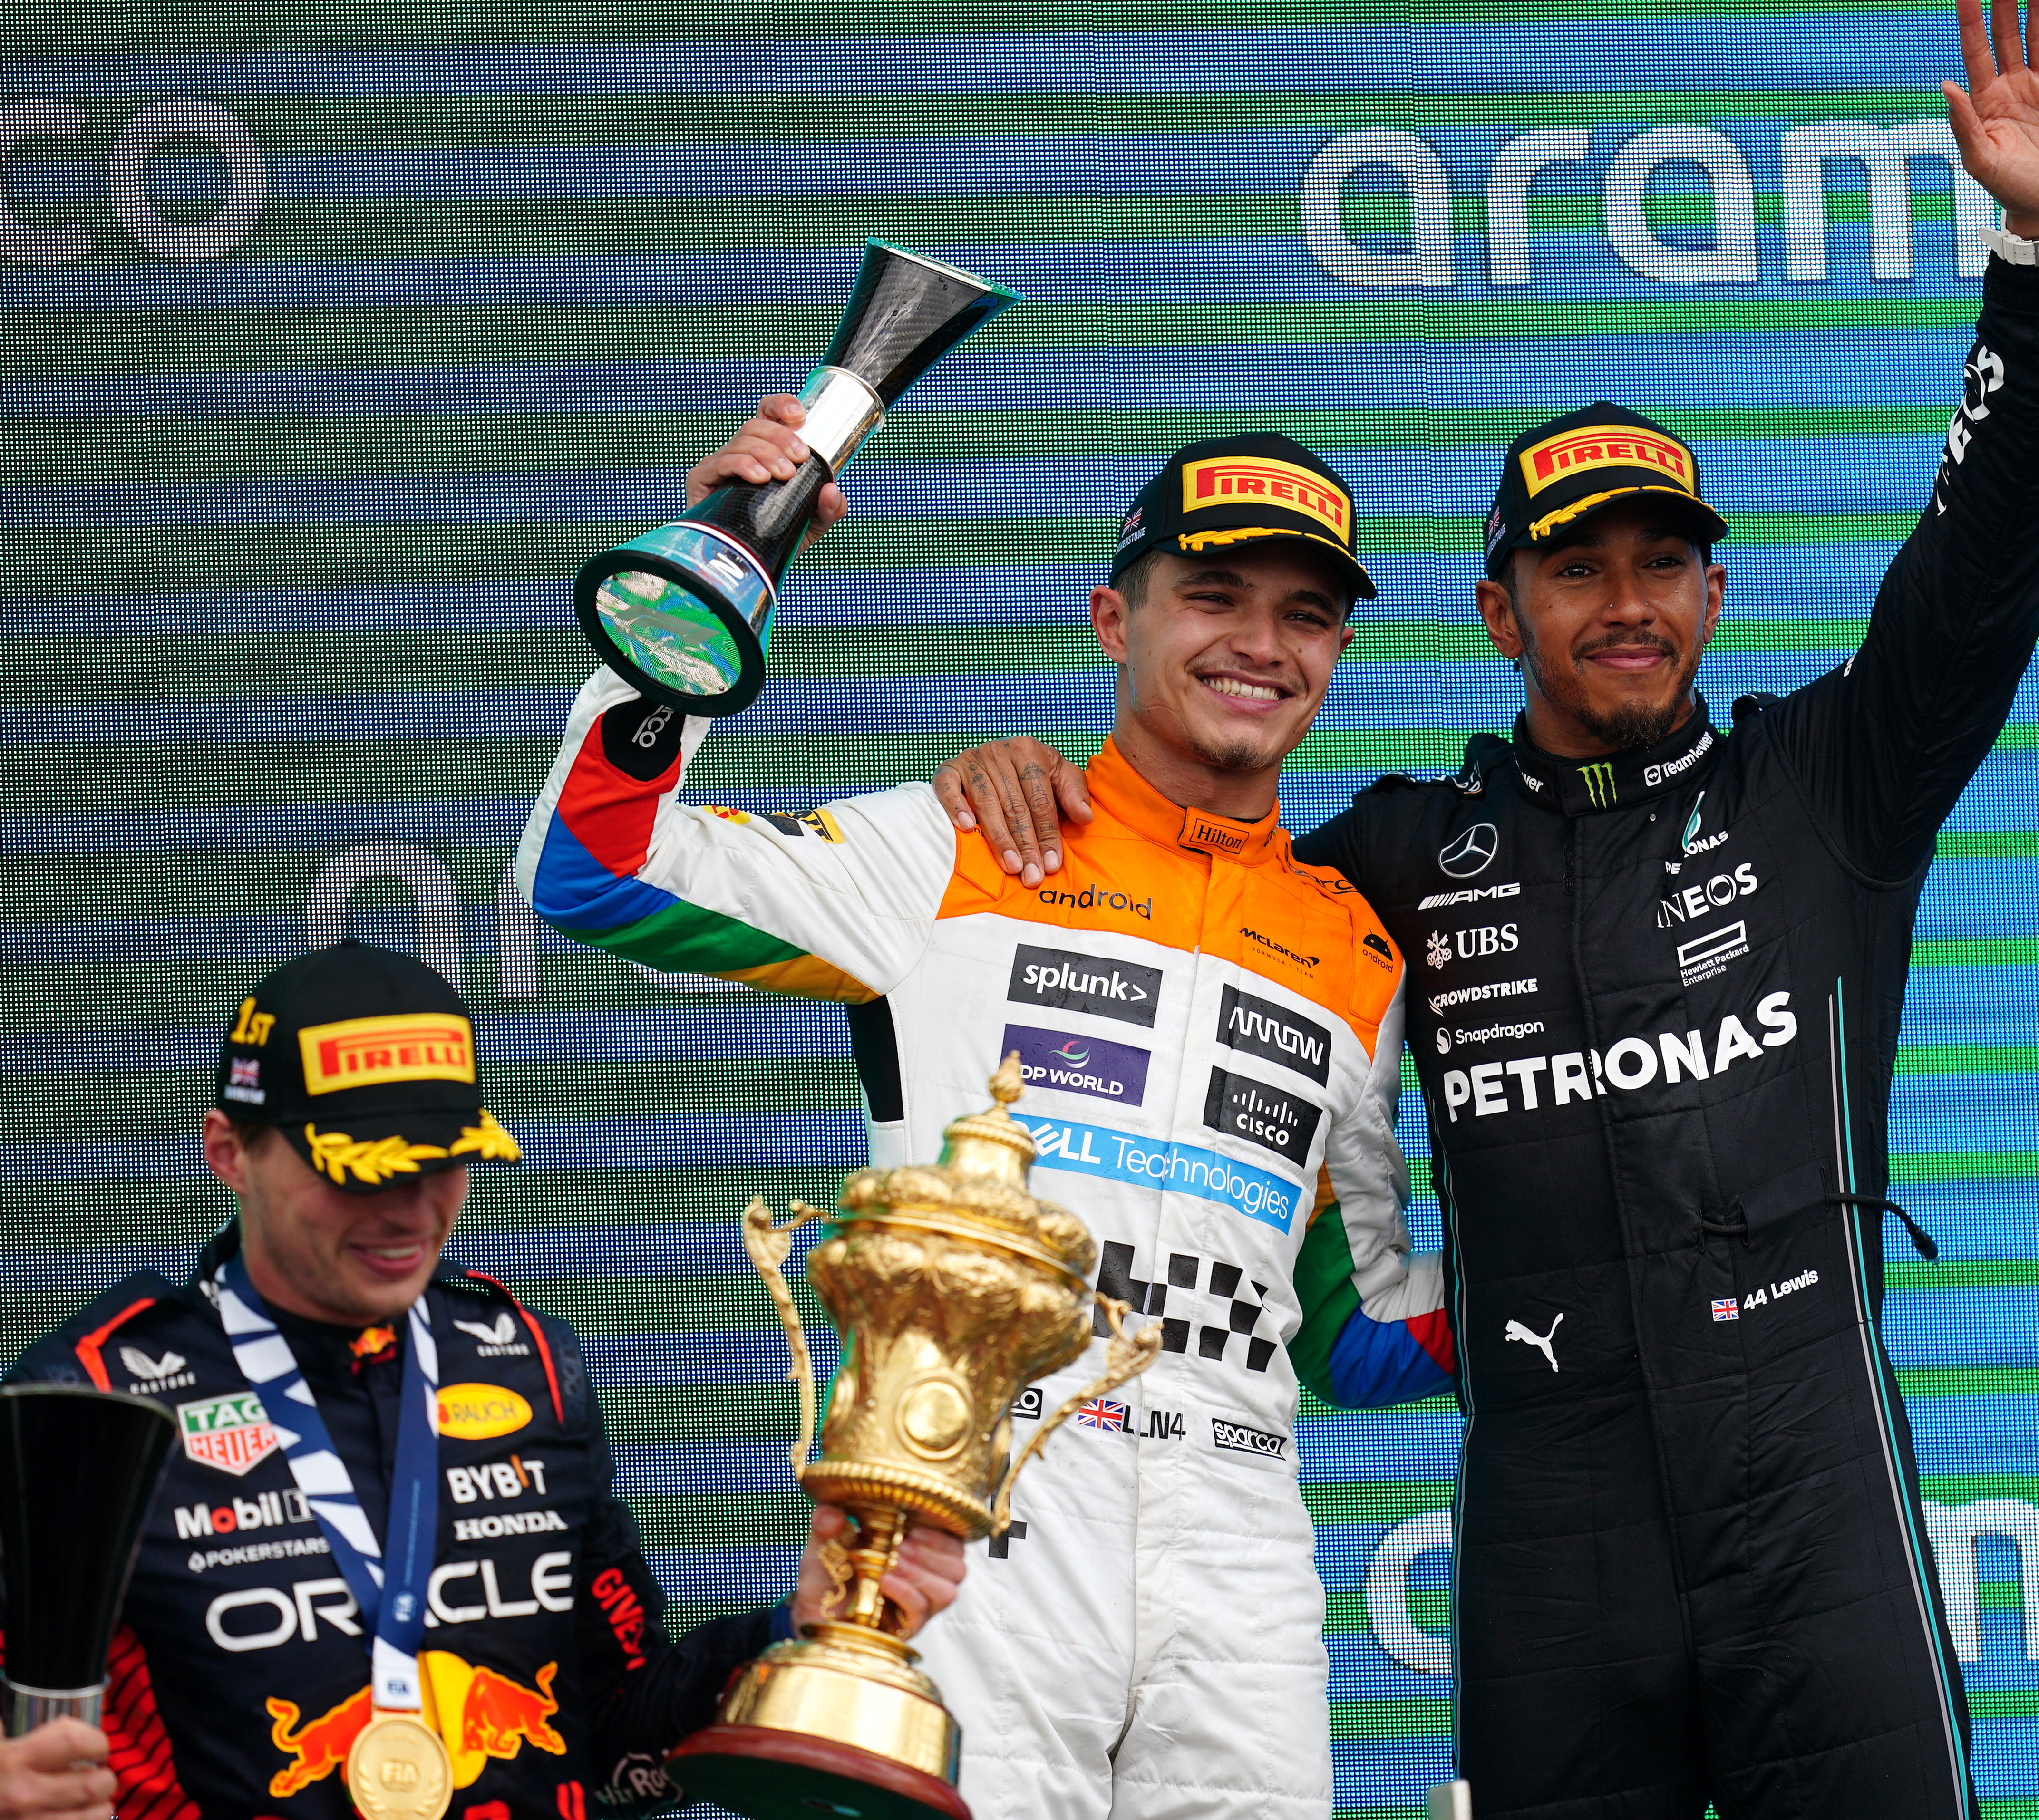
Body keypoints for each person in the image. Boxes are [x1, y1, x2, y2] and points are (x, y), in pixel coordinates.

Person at [931, 0, 2039, 1820]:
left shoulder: (1831, 785)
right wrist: (1015, 788)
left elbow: (1997, 550)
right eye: (1576, 568)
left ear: (1714, 595)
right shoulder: (1392, 856)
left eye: (1665, 562)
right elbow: (1165, 885)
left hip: (1814, 1506)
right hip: (1555, 1533)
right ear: (1503, 613)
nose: (1625, 599)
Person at [516, 424, 1445, 1820]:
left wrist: (1644, 1261)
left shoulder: (1355, 952)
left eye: (1305, 615)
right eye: (1214, 597)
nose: (1262, 643)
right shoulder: (956, 844)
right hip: (976, 1520)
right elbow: (593, 870)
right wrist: (714, 574)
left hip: (1244, 1549)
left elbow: (1354, 1333)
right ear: (1110, 618)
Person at [0, 941, 963, 1820]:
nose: (411, 1210)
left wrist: (800, 1633)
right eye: (364, 1170)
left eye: (445, 1161)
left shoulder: (527, 1362)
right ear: (229, 1154)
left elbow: (616, 1734)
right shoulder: (89, 1407)